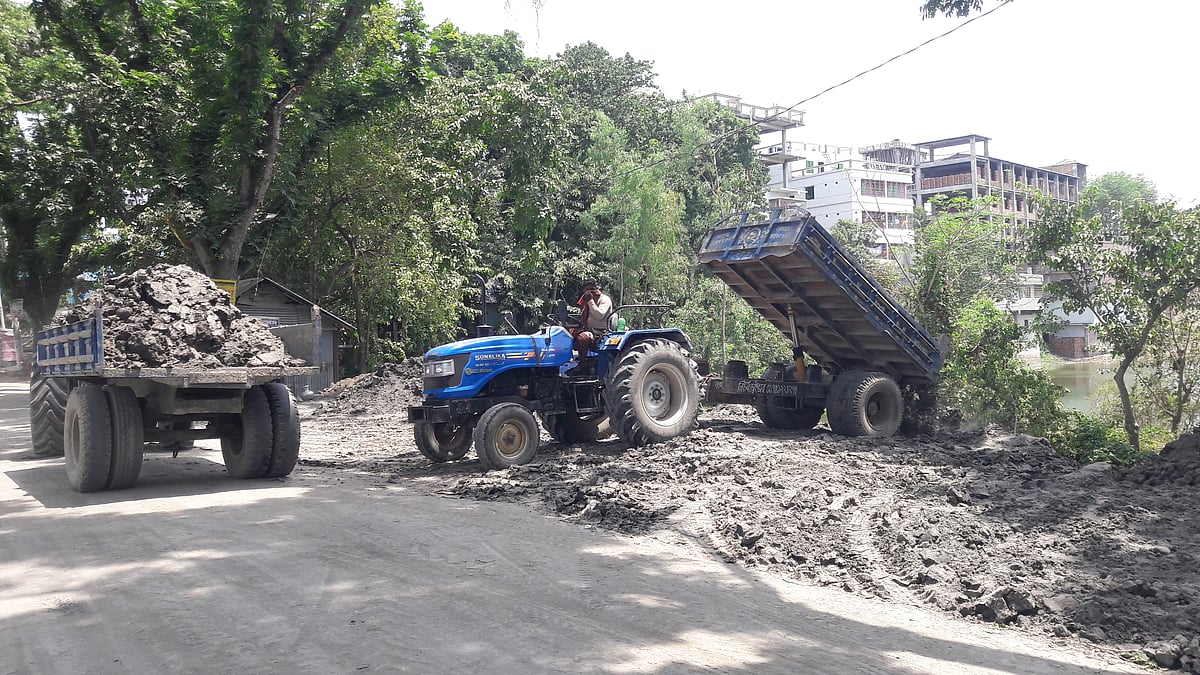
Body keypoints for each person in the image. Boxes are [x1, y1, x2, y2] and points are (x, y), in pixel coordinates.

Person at [573, 279, 613, 358]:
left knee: (582, 338)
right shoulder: (586, 300)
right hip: (588, 329)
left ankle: (583, 363)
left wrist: (590, 301)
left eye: (591, 289)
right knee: (569, 336)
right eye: (586, 289)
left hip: (601, 331)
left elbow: (599, 315)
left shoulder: (604, 299)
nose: (588, 292)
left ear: (596, 288)